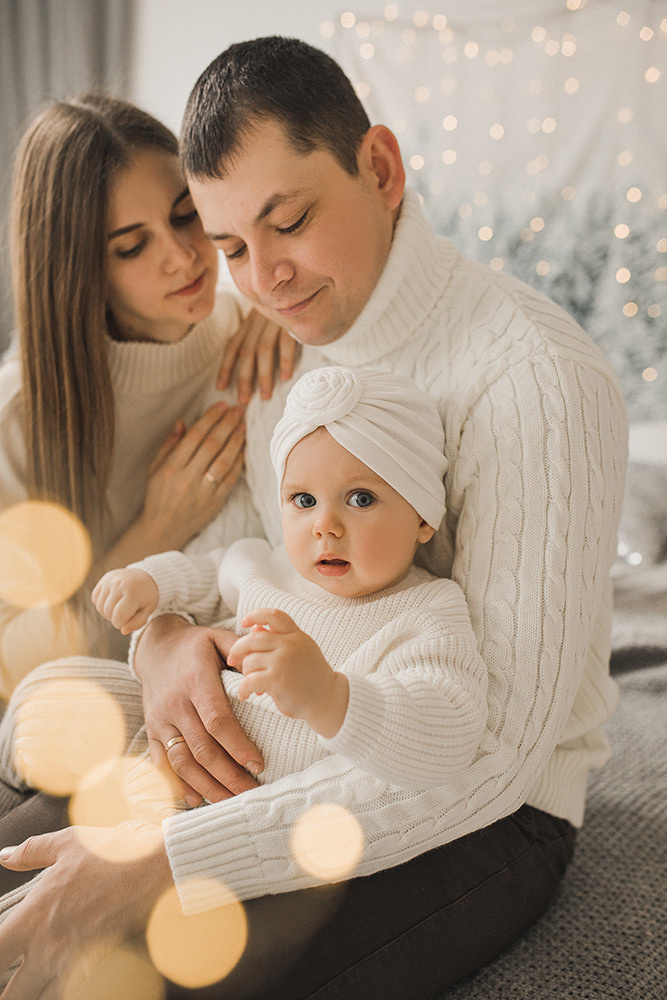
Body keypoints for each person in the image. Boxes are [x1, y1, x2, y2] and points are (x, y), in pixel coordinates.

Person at [0, 37, 627, 1000]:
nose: (264, 280)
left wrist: (165, 858)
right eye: (231, 249)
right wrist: (164, 640)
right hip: (274, 745)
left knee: (120, 972)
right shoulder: (278, 350)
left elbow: (492, 754)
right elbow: (239, 545)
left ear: (380, 169)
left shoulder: (535, 380)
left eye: (287, 222)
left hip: (480, 808)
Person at [0, 93, 293, 700]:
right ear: (78, 270)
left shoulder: (258, 332)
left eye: (186, 214)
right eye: (132, 247)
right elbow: (9, 667)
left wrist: (294, 306)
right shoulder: (18, 418)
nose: (183, 257)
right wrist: (157, 529)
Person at [87, 365, 486, 801]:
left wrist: (330, 697)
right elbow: (206, 574)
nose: (324, 525)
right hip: (168, 741)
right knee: (55, 687)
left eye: (361, 499)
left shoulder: (426, 611)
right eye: (304, 500)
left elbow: (451, 734)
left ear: (424, 518)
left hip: (245, 803)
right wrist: (149, 580)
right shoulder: (266, 566)